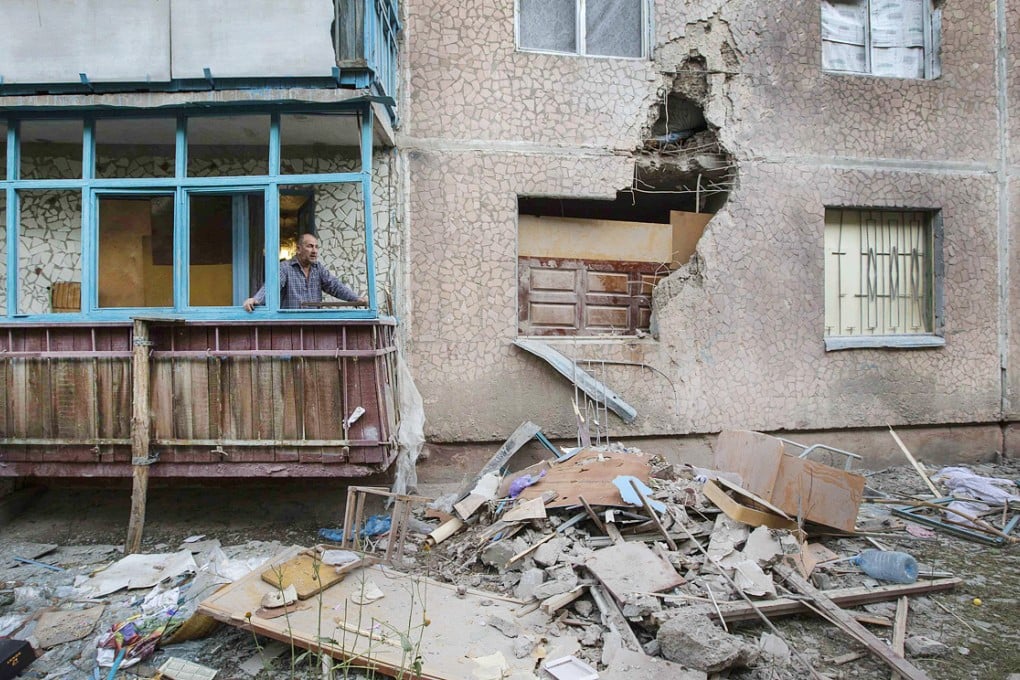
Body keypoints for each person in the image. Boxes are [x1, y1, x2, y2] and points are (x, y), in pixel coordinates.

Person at [243, 233, 367, 311]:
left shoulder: (318, 269)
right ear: (298, 249)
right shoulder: (285, 268)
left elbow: (335, 286)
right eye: (310, 246)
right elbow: (271, 287)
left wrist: (355, 299)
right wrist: (256, 299)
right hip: (291, 328)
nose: (314, 251)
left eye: (316, 247)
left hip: (313, 328)